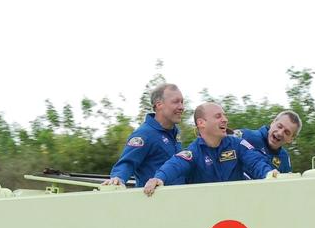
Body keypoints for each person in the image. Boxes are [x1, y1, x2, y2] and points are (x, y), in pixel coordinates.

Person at [144, 102, 276, 195]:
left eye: (224, 115)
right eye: (218, 116)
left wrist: (269, 174)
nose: (225, 120)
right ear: (201, 123)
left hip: (236, 212)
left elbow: (256, 161)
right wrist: (159, 178)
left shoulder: (238, 145)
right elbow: (175, 164)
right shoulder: (194, 152)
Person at [103, 83, 185, 186]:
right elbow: (127, 163)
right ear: (159, 104)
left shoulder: (176, 132)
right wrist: (118, 178)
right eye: (175, 102)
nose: (181, 107)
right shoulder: (144, 134)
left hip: (179, 198)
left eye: (182, 102)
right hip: (154, 200)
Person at [237, 109, 301, 173]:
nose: (280, 133)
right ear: (272, 123)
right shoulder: (245, 136)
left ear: (291, 139)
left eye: (286, 132)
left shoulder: (284, 158)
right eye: (279, 126)